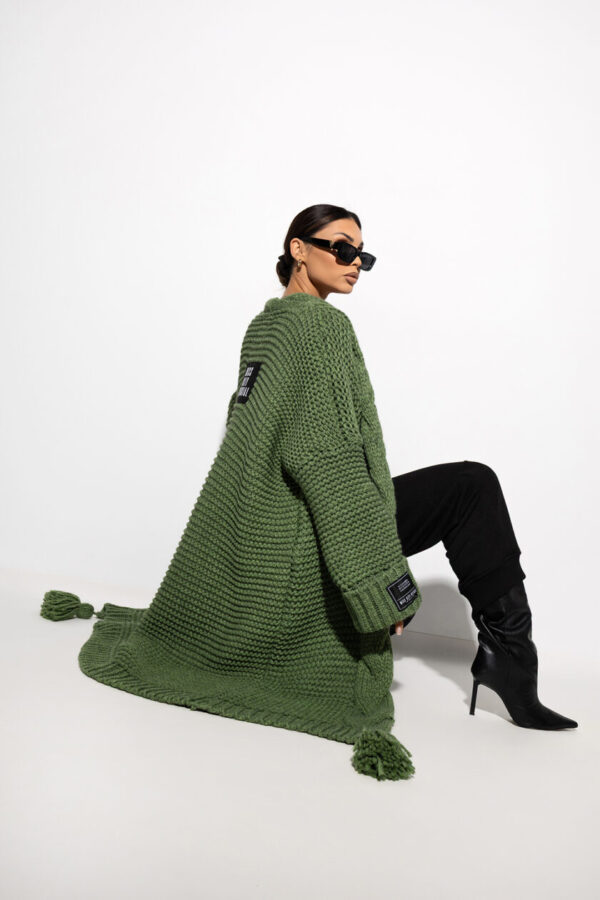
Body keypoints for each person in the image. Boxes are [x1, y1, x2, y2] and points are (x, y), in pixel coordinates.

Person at [40, 203, 576, 785]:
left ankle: (507, 662)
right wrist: (381, 587)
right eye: (341, 248)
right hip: (301, 541)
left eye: (362, 255)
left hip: (260, 534)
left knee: (466, 485)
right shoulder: (322, 328)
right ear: (298, 248)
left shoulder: (265, 328)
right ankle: (511, 662)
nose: (354, 263)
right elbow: (327, 463)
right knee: (472, 486)